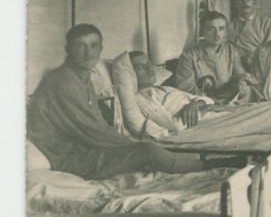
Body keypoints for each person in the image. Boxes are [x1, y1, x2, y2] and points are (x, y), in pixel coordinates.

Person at [27, 24, 204, 180]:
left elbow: (96, 124)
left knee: (147, 152)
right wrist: (131, 145)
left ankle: (199, 166)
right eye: (80, 46)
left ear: (101, 48)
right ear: (68, 49)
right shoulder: (63, 82)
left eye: (93, 45)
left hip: (84, 148)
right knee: (148, 151)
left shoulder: (83, 78)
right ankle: (206, 168)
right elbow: (92, 130)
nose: (88, 52)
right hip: (68, 159)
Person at [123, 51, 232, 138]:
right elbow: (174, 126)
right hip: (201, 122)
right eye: (140, 67)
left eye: (149, 64)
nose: (149, 69)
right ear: (131, 75)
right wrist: (204, 109)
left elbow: (204, 99)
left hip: (212, 114)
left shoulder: (165, 88)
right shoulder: (142, 98)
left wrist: (197, 104)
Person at [175, 11, 256, 103]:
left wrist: (243, 81)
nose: (217, 34)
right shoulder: (188, 56)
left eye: (221, 28)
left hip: (228, 97)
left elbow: (241, 73)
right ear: (202, 31)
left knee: (250, 92)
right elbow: (186, 87)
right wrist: (208, 101)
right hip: (203, 100)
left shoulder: (231, 50)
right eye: (211, 29)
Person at [227, 0, 271, 70]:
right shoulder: (230, 26)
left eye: (248, 0)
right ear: (235, 3)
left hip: (262, 67)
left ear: (254, 2)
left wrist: (252, 58)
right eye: (240, 0)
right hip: (237, 69)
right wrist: (235, 50)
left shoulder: (266, 23)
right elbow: (225, 46)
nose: (245, 3)